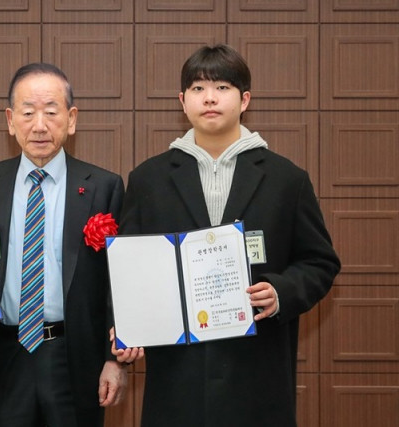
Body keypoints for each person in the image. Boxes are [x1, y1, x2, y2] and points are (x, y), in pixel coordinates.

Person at [112, 44, 341, 426]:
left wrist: (281, 291)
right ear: (182, 101)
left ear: (244, 99)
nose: (210, 98)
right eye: (198, 89)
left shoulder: (287, 179)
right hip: (177, 374)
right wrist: (127, 320)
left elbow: (320, 262)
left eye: (222, 87)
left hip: (257, 371)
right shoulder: (148, 179)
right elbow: (126, 268)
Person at [0, 63, 127, 427]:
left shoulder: (103, 187)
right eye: (28, 112)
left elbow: (118, 283)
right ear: (9, 119)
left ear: (71, 119)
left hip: (76, 355)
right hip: (5, 353)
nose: (39, 125)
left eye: (51, 112)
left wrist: (113, 359)